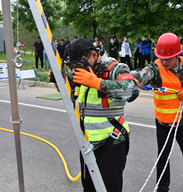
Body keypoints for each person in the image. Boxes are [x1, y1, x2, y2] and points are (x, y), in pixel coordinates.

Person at [51, 39, 140, 192]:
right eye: (73, 67)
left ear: (93, 55)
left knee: (109, 188)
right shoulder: (84, 70)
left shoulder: (116, 68)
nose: (76, 70)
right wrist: (59, 82)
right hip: (87, 141)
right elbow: (70, 90)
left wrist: (96, 82)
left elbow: (132, 90)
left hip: (112, 140)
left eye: (78, 65)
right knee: (89, 188)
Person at [131, 33, 183, 192]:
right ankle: (162, 187)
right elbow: (139, 76)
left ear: (177, 55)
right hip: (164, 122)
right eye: (161, 58)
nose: (164, 61)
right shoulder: (155, 69)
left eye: (168, 58)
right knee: (163, 156)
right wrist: (122, 77)